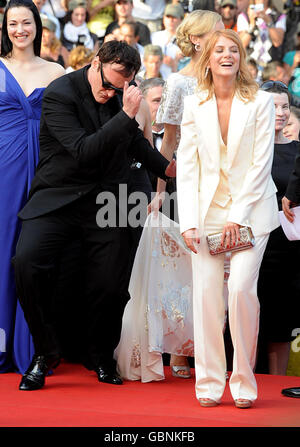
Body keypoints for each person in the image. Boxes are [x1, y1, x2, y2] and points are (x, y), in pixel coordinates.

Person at [13, 40, 175, 391]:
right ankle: (45, 351)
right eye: (108, 84)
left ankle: (101, 354)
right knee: (26, 262)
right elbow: (84, 151)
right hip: (57, 197)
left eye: (120, 87)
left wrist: (171, 170)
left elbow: (136, 146)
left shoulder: (120, 97)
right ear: (95, 62)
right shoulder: (60, 93)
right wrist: (127, 115)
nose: (110, 92)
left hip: (105, 201)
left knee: (111, 284)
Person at [177, 29, 279, 408]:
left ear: (241, 57)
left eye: (233, 50)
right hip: (206, 214)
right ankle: (207, 384)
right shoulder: (194, 103)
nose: (226, 55)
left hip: (252, 212)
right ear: (208, 58)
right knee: (205, 298)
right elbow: (187, 167)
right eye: (219, 49)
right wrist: (188, 220)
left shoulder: (262, 102)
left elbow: (260, 165)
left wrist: (238, 216)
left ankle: (244, 381)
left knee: (239, 291)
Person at [148, 9, 224, 378]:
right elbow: (169, 142)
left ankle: (214, 353)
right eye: (217, 32)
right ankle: (181, 351)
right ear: (196, 39)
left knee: (222, 270)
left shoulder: (231, 78)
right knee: (187, 269)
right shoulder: (178, 83)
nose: (225, 39)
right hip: (190, 184)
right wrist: (160, 190)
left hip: (226, 184)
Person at [0, 0, 64, 375]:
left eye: (26, 22)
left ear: (38, 26)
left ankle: (38, 347)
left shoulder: (56, 71)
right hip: (3, 170)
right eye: (13, 23)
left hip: (45, 169)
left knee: (37, 254)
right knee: (4, 247)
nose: (20, 29)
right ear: (5, 27)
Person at [255, 81, 300, 376]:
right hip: (253, 246)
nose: (280, 113)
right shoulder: (248, 152)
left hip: (290, 251)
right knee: (247, 321)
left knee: (282, 325)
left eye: (284, 106)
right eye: (273, 106)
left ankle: (277, 384)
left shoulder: (298, 150)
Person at [151, 3, 184, 74]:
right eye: (168, 17)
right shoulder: (154, 36)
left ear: (181, 20)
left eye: (174, 17)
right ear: (163, 18)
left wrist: (175, 64)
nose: (170, 20)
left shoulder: (185, 41)